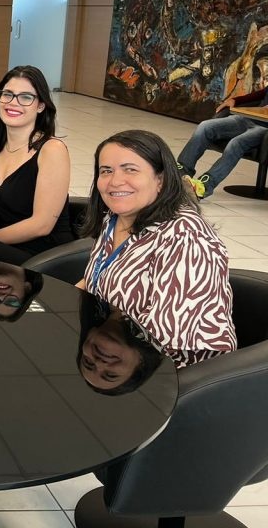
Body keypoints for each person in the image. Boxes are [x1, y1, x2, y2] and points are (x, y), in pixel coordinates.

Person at [78, 129, 236, 368]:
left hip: (175, 372)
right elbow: (95, 281)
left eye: (130, 169)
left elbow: (165, 337)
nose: (115, 181)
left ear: (160, 179)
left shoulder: (186, 238)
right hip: (115, 345)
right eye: (106, 171)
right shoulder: (114, 217)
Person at [0, 65, 74, 264]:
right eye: (7, 94)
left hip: (42, 251)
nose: (13, 103)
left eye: (26, 97)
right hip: (8, 234)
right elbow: (6, 198)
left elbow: (41, 225)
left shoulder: (52, 150)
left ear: (41, 105)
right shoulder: (1, 144)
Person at [176, 87, 268, 199]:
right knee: (205, 127)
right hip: (248, 118)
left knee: (236, 143)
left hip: (264, 129)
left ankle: (203, 186)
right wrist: (236, 100)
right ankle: (180, 173)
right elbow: (261, 94)